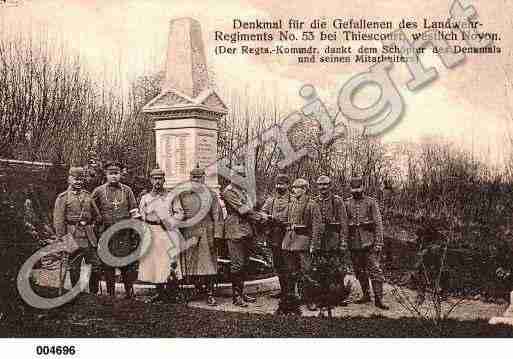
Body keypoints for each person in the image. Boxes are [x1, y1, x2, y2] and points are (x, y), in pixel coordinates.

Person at [92, 160, 139, 298]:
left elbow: (134, 211)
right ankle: (111, 293)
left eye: (116, 173)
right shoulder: (99, 191)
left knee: (126, 263)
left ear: (120, 174)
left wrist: (135, 231)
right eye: (111, 173)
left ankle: (129, 292)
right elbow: (89, 208)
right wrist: (97, 221)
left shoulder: (127, 190)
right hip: (106, 233)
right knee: (108, 264)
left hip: (124, 234)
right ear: (106, 175)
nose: (114, 176)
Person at [138, 168, 184, 303]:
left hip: (168, 232)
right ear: (150, 180)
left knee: (170, 261)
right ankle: (160, 293)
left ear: (164, 180)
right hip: (153, 232)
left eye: (160, 178)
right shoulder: (145, 198)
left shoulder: (171, 196)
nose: (157, 181)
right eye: (154, 178)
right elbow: (142, 216)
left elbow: (180, 213)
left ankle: (172, 293)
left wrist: (169, 222)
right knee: (156, 262)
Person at [53, 167, 102, 294]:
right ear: (69, 179)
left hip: (88, 236)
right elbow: (58, 222)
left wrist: (92, 226)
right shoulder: (63, 197)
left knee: (96, 265)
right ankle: (76, 293)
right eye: (75, 179)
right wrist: (63, 240)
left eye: (80, 179)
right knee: (74, 267)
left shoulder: (87, 195)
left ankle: (94, 293)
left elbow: (97, 216)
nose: (78, 182)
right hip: (72, 235)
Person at [179, 165, 223, 306]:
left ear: (204, 178)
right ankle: (197, 290)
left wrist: (217, 235)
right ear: (190, 178)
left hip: (207, 232)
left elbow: (217, 216)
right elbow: (179, 214)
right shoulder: (183, 194)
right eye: (194, 177)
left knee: (208, 264)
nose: (197, 180)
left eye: (200, 177)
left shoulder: (211, 195)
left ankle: (210, 293)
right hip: (189, 233)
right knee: (191, 263)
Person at [345, 175, 389, 310]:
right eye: (353, 188)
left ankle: (379, 299)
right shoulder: (347, 203)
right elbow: (344, 223)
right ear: (350, 189)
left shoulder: (371, 202)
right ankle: (366, 295)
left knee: (375, 270)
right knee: (359, 270)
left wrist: (379, 243)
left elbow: (378, 224)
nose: (356, 191)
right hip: (354, 244)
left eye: (358, 187)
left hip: (369, 242)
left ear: (363, 187)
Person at [280, 178, 323, 315]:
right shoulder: (292, 203)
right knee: (291, 272)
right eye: (293, 187)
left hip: (304, 242)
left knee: (307, 272)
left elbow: (317, 227)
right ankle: (294, 298)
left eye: (297, 187)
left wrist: (314, 244)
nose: (294, 190)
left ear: (304, 189)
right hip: (289, 242)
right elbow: (286, 221)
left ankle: (310, 299)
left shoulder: (312, 205)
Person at [311, 175, 350, 316]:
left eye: (326, 185)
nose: (323, 187)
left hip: (334, 239)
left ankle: (339, 296)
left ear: (330, 185)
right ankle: (322, 297)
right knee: (319, 270)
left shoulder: (337, 201)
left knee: (337, 270)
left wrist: (344, 241)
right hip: (320, 241)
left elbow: (344, 223)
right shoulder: (314, 201)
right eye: (320, 185)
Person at [222, 164, 258, 307]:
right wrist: (259, 215)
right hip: (235, 230)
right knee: (237, 264)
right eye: (237, 174)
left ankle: (242, 293)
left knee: (245, 263)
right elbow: (243, 209)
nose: (240, 177)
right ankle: (236, 296)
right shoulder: (229, 191)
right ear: (231, 176)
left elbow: (250, 206)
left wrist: (252, 209)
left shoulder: (243, 190)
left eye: (243, 174)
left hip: (247, 229)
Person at [261, 173, 291, 301]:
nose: (279, 187)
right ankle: (283, 290)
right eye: (278, 184)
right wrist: (266, 218)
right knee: (278, 264)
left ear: (288, 185)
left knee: (290, 264)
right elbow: (263, 213)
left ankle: (292, 291)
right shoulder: (270, 200)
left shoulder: (293, 199)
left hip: (289, 236)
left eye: (282, 184)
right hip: (275, 236)